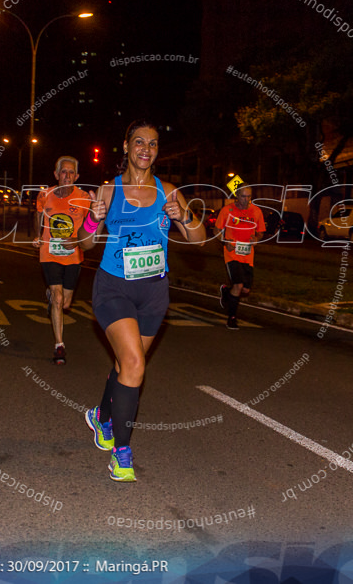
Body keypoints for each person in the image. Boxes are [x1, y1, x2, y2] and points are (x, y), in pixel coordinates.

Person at [80, 120, 206, 481]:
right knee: (134, 364)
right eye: (139, 142)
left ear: (157, 151)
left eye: (152, 144)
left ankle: (101, 417)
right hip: (113, 288)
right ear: (126, 146)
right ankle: (122, 454)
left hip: (153, 293)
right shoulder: (108, 191)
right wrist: (92, 220)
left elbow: (198, 240)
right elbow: (85, 244)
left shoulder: (169, 192)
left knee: (126, 367)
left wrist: (185, 215)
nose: (145, 149)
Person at [33, 156, 91, 365]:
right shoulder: (45, 195)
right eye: (63, 172)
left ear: (77, 176)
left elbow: (91, 227)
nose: (67, 176)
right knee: (58, 298)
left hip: (73, 255)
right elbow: (38, 215)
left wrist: (78, 240)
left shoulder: (84, 198)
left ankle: (52, 298)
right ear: (56, 175)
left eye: (71, 172)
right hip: (49, 252)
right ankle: (59, 345)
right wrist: (38, 235)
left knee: (65, 303)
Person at [216, 186, 265, 330]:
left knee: (245, 290)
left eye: (249, 196)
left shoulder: (256, 211)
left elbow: (261, 232)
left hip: (247, 254)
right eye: (244, 196)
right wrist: (225, 241)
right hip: (231, 253)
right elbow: (216, 230)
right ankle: (231, 318)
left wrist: (256, 238)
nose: (247, 200)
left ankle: (226, 292)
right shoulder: (227, 210)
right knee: (238, 286)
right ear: (237, 196)